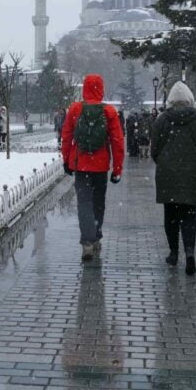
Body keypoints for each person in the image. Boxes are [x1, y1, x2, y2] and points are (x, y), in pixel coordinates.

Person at [61, 74, 125, 262]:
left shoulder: (75, 109)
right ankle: (96, 236)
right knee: (98, 203)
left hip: (81, 165)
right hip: (100, 166)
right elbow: (117, 142)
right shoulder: (109, 112)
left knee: (84, 204)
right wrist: (117, 168)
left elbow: (66, 136)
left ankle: (86, 242)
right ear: (101, 89)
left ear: (84, 89)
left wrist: (66, 160)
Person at [151, 82, 196, 275]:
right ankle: (190, 253)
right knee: (189, 216)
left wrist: (164, 162)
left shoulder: (162, 120)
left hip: (168, 174)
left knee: (170, 216)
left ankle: (174, 252)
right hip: (190, 175)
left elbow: (155, 149)